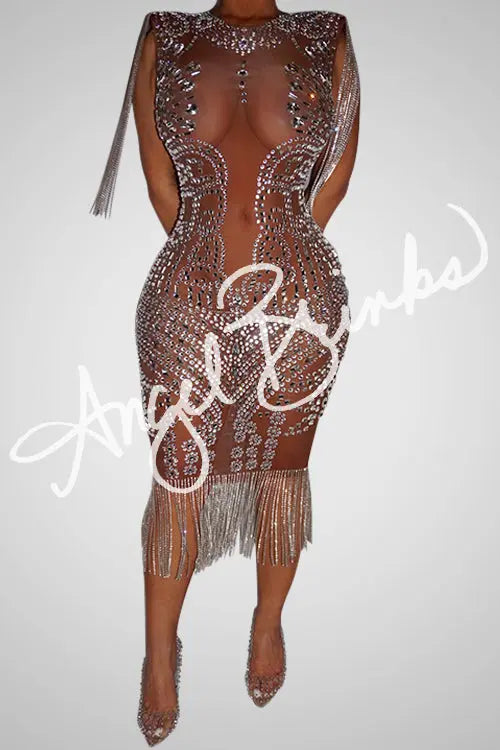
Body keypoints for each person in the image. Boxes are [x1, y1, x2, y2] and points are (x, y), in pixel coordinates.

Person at [91, 1, 360, 743]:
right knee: (179, 472)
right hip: (185, 296)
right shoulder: (165, 34)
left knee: (282, 469)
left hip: (300, 299)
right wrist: (210, 272)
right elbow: (160, 184)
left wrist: (277, 274)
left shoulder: (327, 35)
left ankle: (267, 623)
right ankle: (158, 657)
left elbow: (333, 181)